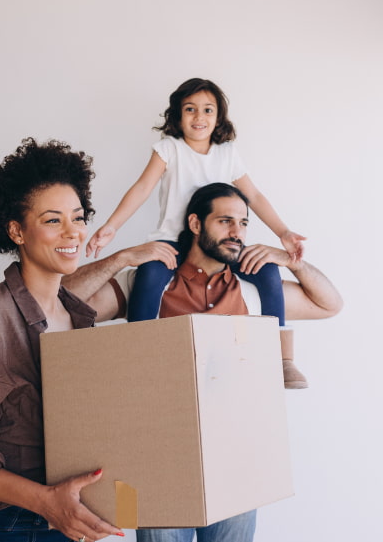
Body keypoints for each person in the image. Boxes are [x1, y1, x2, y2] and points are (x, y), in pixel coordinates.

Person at [0, 138, 177, 542]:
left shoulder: (77, 318)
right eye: (52, 220)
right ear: (16, 231)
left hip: (72, 526)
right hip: (3, 531)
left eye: (78, 217)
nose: (73, 232)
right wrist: (45, 501)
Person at [63, 182, 343, 542]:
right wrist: (121, 259)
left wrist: (292, 261)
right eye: (225, 221)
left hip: (238, 460)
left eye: (243, 223)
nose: (237, 232)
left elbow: (330, 305)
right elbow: (61, 303)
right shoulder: (150, 284)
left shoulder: (252, 291)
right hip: (161, 460)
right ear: (195, 224)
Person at [84, 77, 311, 388]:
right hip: (173, 242)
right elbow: (142, 188)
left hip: (219, 244)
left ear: (218, 118)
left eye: (207, 110)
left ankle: (282, 359)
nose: (199, 117)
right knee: (149, 277)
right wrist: (111, 227)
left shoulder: (227, 153)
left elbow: (254, 196)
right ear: (178, 116)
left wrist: (283, 232)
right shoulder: (169, 149)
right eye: (190, 109)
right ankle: (138, 354)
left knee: (268, 270)